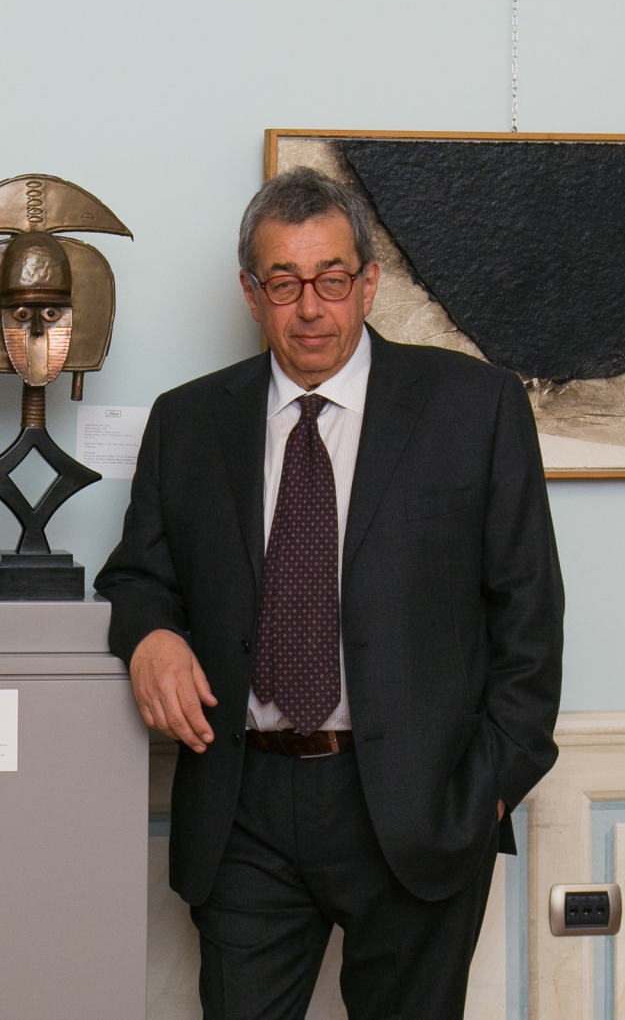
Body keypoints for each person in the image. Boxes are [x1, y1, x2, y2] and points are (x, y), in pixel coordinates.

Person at [95, 167, 563, 1019]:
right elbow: (138, 576)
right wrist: (150, 637)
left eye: (332, 279)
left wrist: (490, 787)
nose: (310, 307)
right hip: (244, 806)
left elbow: (529, 610)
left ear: (369, 282)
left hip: (421, 804)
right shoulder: (189, 422)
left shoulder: (474, 407)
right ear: (251, 293)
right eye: (284, 282)